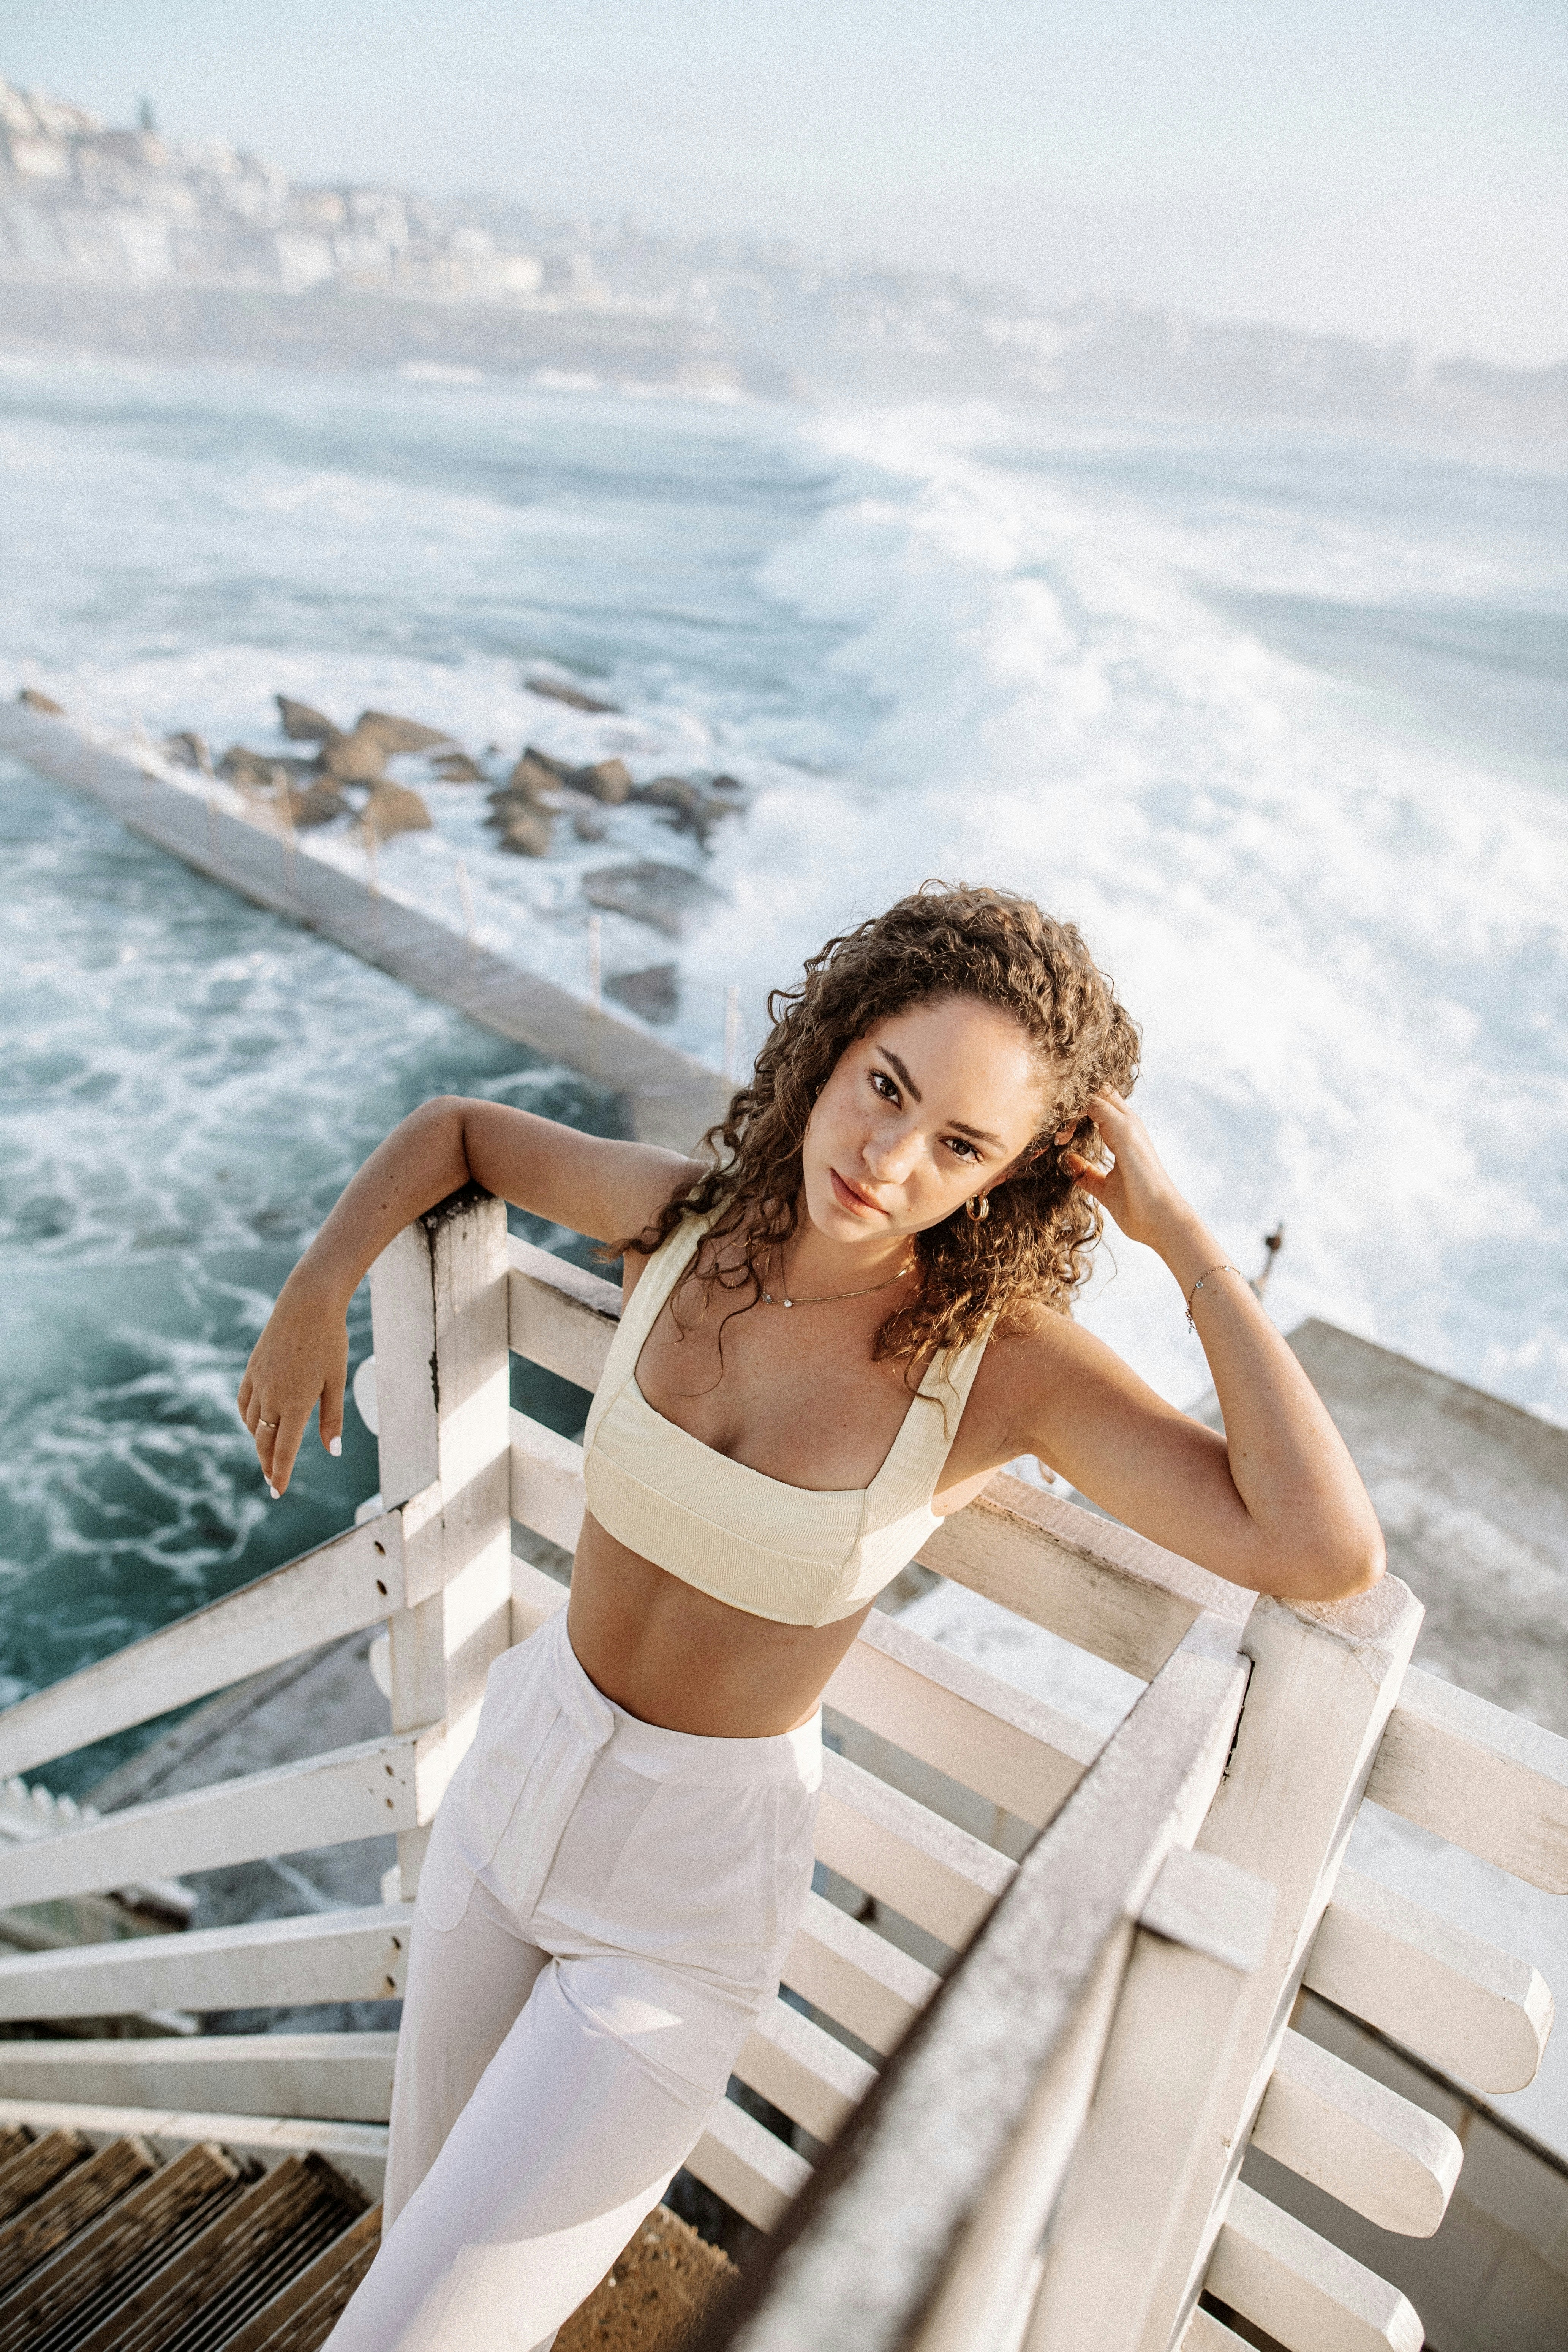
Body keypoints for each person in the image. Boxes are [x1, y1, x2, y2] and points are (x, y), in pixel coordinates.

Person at [239, 885, 1383, 2351]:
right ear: (836, 1048)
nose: (889, 1158)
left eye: (961, 1145)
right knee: (417, 2248)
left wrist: (1180, 1238)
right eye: (885, 1089)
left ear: (1017, 1176)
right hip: (511, 1783)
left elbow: (1322, 1550)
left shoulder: (1000, 1367)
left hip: (679, 1917)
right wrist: (317, 1285)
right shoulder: (688, 1218)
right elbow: (460, 1132)